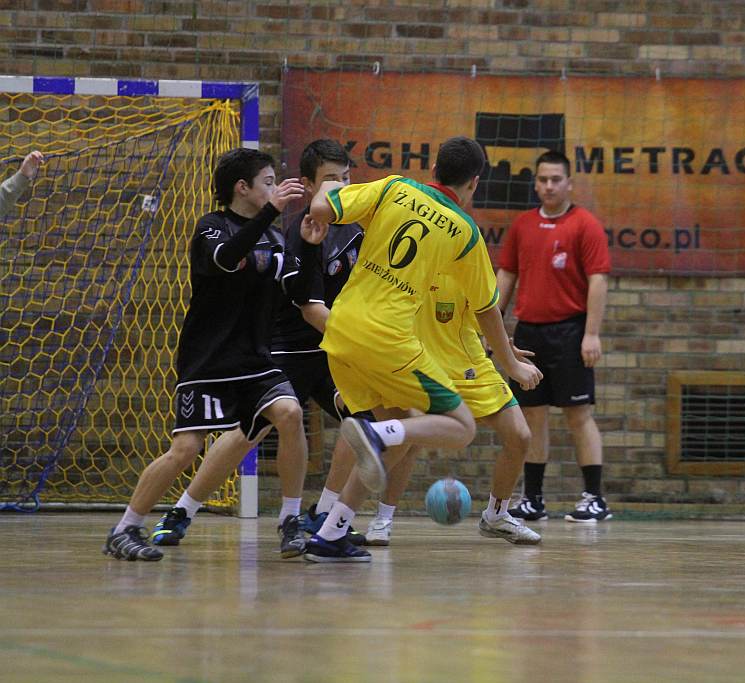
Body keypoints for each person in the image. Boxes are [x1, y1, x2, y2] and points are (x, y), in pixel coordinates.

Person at [301, 135, 542, 561]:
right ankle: (373, 435)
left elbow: (322, 208)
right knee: (460, 427)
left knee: (395, 432)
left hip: (339, 330)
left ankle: (332, 532)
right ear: (474, 183)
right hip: (387, 337)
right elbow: (488, 309)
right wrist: (510, 363)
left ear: (433, 170)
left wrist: (326, 185)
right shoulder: (464, 232)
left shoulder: (395, 187)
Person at [147, 140, 366, 556]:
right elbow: (306, 305)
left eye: (347, 178)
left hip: (333, 352)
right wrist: (359, 340)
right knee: (249, 432)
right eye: (331, 180)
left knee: (367, 423)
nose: (341, 187)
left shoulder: (358, 230)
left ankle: (323, 515)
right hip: (288, 349)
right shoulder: (291, 229)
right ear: (307, 184)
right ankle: (183, 509)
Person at [102, 148, 313, 561]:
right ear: (243, 188)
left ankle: (289, 521)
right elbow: (227, 257)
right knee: (186, 449)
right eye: (268, 181)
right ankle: (125, 527)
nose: (275, 188)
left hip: (256, 359)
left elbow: (293, 284)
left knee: (289, 414)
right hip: (210, 359)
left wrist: (307, 245)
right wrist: (270, 212)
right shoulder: (211, 228)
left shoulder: (274, 235)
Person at [304, 271, 542, 547]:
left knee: (520, 436)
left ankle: (497, 516)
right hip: (417, 363)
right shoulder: (404, 260)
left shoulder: (468, 256)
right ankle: (373, 519)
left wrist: (508, 353)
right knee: (406, 437)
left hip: (468, 365)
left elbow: (485, 317)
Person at [497, 149, 612, 523]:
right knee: (532, 417)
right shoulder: (522, 226)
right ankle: (533, 500)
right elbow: (507, 278)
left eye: (556, 179)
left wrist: (591, 334)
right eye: (543, 179)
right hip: (530, 333)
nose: (549, 186)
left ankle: (594, 499)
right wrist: (492, 324)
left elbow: (598, 281)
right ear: (535, 183)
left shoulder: (585, 225)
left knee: (579, 414)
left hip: (570, 331)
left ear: (569, 183)